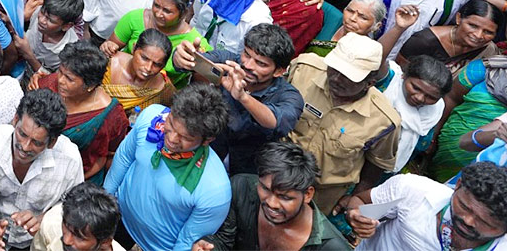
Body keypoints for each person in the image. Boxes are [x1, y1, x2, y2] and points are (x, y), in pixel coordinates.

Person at [103, 83, 232, 251]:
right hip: (117, 220)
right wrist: (105, 202)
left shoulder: (215, 191)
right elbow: (124, 157)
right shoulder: (151, 116)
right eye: (170, 124)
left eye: (185, 137)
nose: (171, 138)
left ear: (207, 140)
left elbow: (186, 243)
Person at [286, 32, 402, 213]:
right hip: (272, 171)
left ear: (369, 83)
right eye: (334, 69)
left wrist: (355, 197)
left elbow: (377, 165)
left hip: (319, 198)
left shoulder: (383, 120)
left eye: (348, 77)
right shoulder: (303, 69)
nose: (336, 79)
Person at [171, 23, 304, 174]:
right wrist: (182, 57)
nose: (247, 65)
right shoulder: (228, 61)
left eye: (260, 63)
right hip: (205, 153)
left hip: (247, 171)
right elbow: (195, 61)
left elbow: (274, 121)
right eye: (247, 54)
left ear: (279, 71)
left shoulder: (290, 96)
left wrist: (242, 97)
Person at [0, 89, 83, 250]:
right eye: (22, 134)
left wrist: (43, 219)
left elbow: (73, 204)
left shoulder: (69, 159)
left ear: (52, 142)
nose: (25, 147)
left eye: (37, 143)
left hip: (35, 242)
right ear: (15, 120)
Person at [199, 142, 349, 251]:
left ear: (307, 194)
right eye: (265, 188)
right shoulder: (242, 188)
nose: (271, 203)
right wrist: (208, 246)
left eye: (284, 197)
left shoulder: (331, 246)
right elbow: (225, 240)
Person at [345, 161, 507, 251]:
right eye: (464, 206)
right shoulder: (412, 190)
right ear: (457, 186)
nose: (468, 221)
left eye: (485, 222)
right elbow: (361, 203)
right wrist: (358, 216)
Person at [34, 40, 129, 183]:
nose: (60, 80)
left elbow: (105, 156)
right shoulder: (49, 85)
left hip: (77, 176)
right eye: (60, 72)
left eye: (69, 79)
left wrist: (73, 180)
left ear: (90, 85)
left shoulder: (112, 116)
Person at [31, 181, 124, 251]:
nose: (66, 240)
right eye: (66, 226)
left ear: (105, 242)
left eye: (79, 237)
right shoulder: (51, 222)